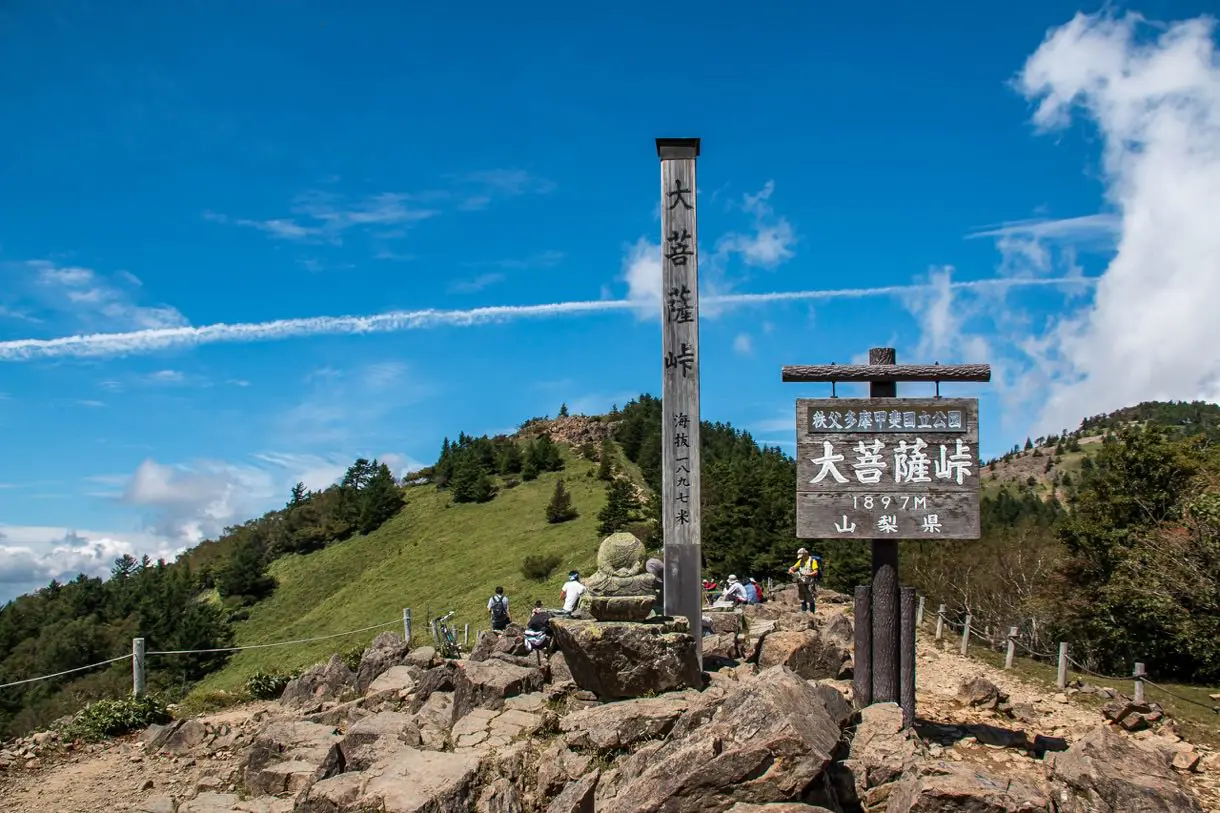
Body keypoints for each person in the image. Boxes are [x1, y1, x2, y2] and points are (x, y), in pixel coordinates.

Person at [787, 548, 819, 613]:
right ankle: (803, 612)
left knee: (811, 598)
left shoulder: (812, 561)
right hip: (801, 582)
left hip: (810, 582)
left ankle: (812, 613)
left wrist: (808, 574)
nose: (801, 558)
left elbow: (816, 572)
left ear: (805, 554)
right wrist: (791, 570)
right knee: (802, 598)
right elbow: (793, 568)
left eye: (802, 556)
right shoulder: (800, 561)